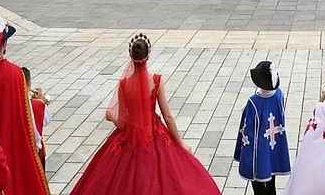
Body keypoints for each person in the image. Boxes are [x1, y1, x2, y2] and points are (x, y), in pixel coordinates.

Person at [71, 34, 220, 195]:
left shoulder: (123, 85)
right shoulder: (156, 81)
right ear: (148, 55)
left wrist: (110, 116)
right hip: (154, 134)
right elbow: (168, 116)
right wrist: (180, 143)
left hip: (129, 138)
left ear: (131, 57)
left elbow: (122, 123)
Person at [0, 20, 49, 195]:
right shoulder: (14, 74)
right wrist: (36, 142)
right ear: (4, 44)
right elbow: (25, 116)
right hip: (5, 142)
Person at [234, 61, 291, 195]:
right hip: (274, 145)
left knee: (258, 183)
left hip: (258, 148)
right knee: (271, 182)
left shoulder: (253, 102)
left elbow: (247, 129)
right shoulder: (279, 95)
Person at [22, 67, 49, 169]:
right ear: (29, 84)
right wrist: (41, 101)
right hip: (35, 150)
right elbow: (45, 121)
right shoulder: (36, 104)